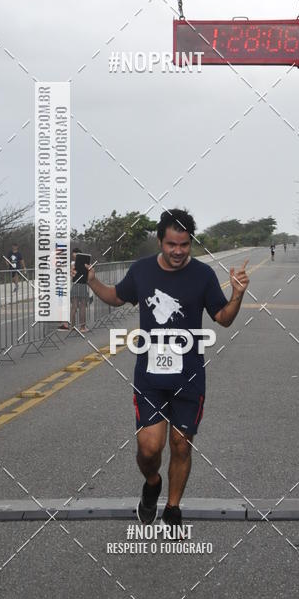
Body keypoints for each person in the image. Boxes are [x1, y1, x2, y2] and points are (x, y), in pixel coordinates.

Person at [86, 208, 249, 528]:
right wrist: (92, 281)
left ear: (191, 244)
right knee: (149, 449)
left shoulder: (203, 275)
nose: (178, 251)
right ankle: (152, 484)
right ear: (160, 241)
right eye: (172, 244)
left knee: (181, 445)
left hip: (189, 375)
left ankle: (173, 509)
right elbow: (115, 297)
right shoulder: (142, 271)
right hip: (150, 376)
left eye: (184, 245)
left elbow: (223, 318)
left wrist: (237, 295)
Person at [59, 248, 89, 331]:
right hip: (82, 285)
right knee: (82, 306)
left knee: (74, 306)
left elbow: (72, 275)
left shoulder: (72, 263)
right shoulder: (85, 263)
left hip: (75, 285)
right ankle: (82, 327)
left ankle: (73, 326)